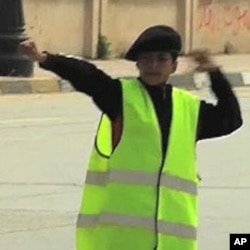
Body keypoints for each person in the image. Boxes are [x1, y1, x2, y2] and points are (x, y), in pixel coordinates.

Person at [20, 25, 242, 250]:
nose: (153, 65)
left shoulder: (189, 109)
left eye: (161, 59)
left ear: (173, 65)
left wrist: (214, 73)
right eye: (146, 60)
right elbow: (88, 76)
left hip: (174, 241)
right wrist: (46, 59)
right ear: (138, 65)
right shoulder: (120, 97)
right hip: (126, 239)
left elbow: (231, 118)